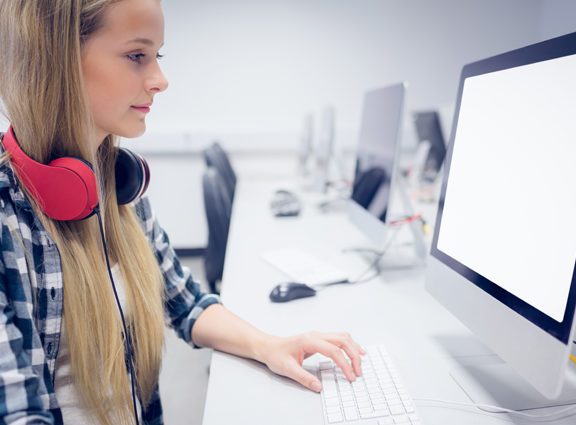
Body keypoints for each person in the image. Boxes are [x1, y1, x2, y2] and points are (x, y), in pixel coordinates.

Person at [0, 1, 364, 424]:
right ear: (57, 58)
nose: (160, 80)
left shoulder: (118, 184)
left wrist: (270, 345)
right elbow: (19, 412)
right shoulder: (9, 214)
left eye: (159, 56)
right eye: (137, 55)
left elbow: (185, 301)